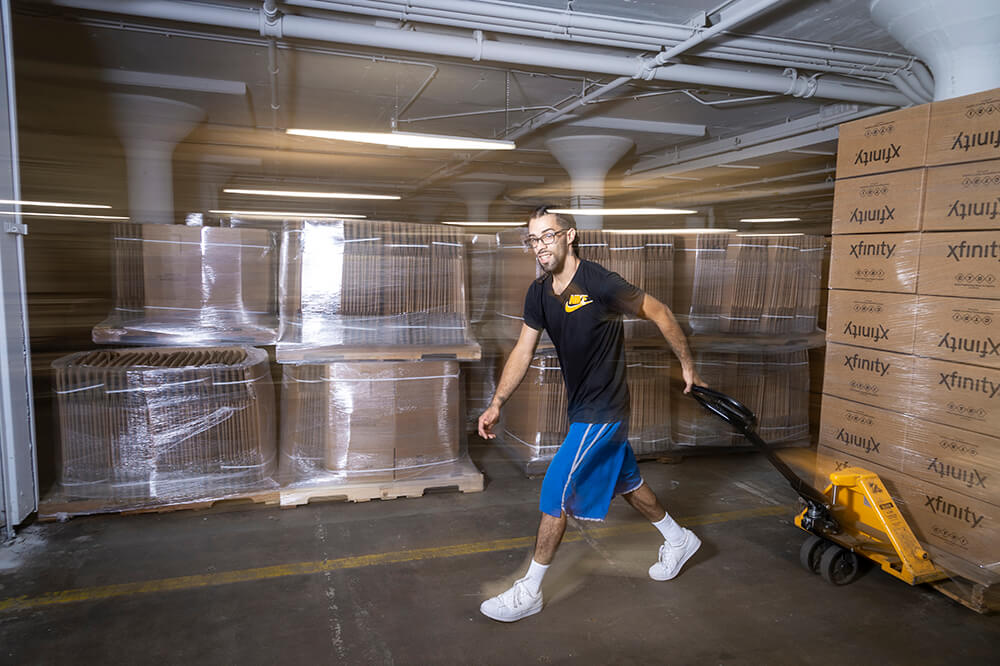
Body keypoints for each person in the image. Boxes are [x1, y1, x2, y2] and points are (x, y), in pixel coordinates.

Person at [478, 206, 707, 622]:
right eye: (532, 239)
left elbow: (660, 312)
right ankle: (679, 539)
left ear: (570, 236)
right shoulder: (539, 293)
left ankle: (529, 591)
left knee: (555, 492)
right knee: (627, 483)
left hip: (605, 409)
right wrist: (497, 402)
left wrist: (688, 366)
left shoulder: (600, 282)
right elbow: (523, 351)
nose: (539, 246)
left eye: (547, 236)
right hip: (582, 406)